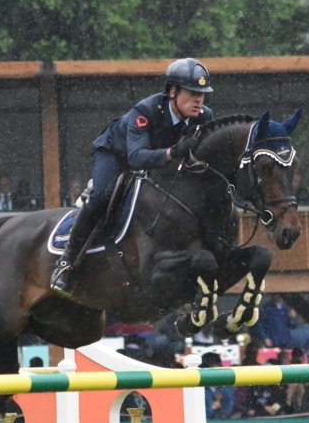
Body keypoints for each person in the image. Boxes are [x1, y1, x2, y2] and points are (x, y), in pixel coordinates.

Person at [50, 58, 215, 296]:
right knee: (100, 198)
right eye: (191, 93)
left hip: (157, 163)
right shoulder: (145, 111)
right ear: (172, 91)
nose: (198, 100)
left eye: (202, 93)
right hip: (116, 155)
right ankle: (65, 263)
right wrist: (172, 152)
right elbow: (136, 157)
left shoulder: (204, 116)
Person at [200, 351, 235, 419]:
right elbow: (197, 412)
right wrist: (211, 409)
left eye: (218, 370)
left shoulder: (226, 387)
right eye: (212, 371)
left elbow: (229, 409)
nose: (215, 375)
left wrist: (221, 409)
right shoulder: (199, 389)